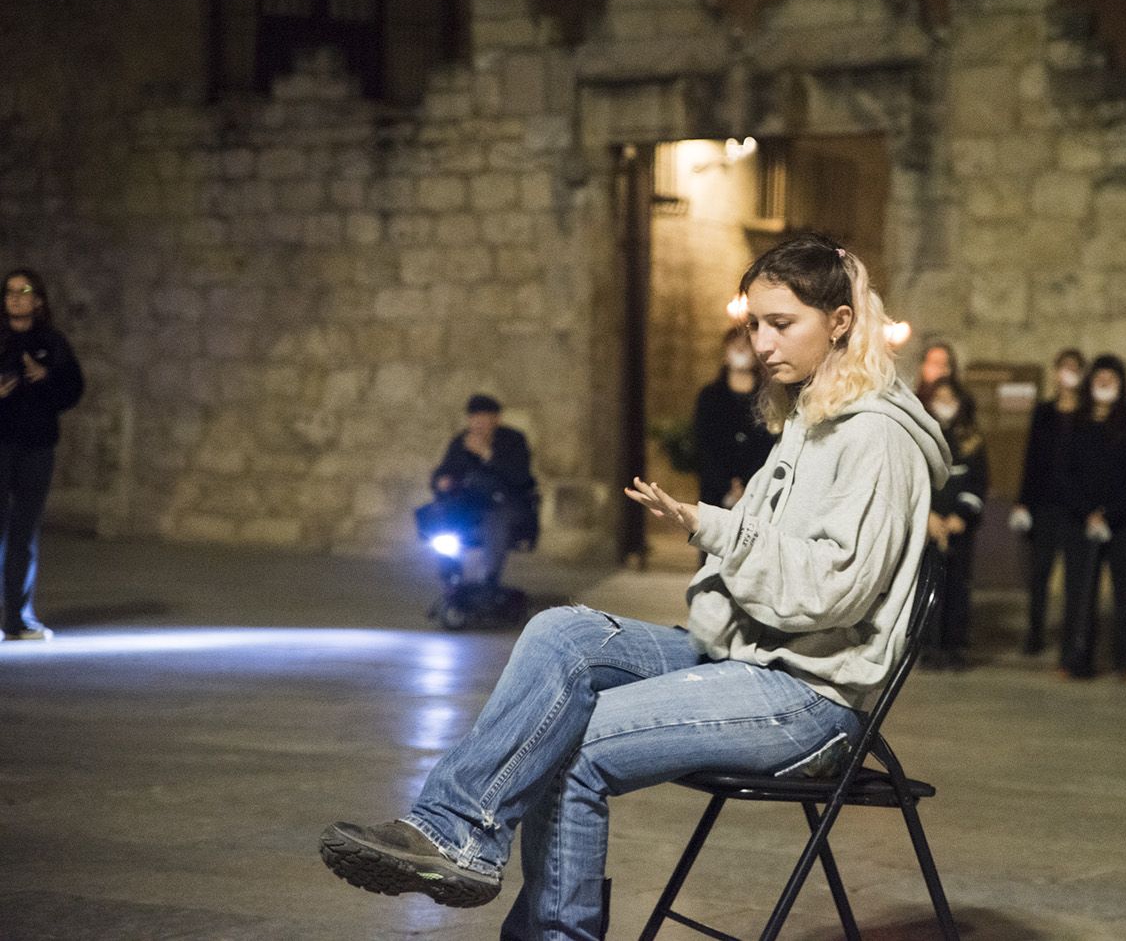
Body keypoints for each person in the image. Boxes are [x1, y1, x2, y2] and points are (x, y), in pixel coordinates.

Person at [320, 234, 950, 939]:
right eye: (754, 324)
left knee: (573, 746)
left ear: (838, 321)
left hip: (809, 698)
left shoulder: (877, 441)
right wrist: (720, 536)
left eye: (782, 324)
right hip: (743, 657)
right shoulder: (809, 418)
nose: (762, 343)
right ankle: (452, 832)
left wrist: (719, 530)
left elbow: (833, 591)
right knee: (562, 632)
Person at [1060, 354, 1126, 682]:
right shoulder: (1075, 423)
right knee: (1079, 592)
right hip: (1082, 520)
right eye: (1099, 380)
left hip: (1125, 521)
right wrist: (1087, 512)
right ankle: (1076, 658)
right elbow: (1066, 474)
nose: (1104, 386)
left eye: (1110, 381)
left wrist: (1111, 514)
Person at [0, 268, 84, 642]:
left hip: (36, 447)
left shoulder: (52, 342)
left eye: (24, 291)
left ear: (38, 301)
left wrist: (44, 376)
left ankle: (17, 619)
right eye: (10, 292)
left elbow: (72, 389)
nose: (16, 298)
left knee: (24, 532)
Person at [1013, 348, 1084, 655]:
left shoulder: (1086, 414)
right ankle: (1035, 634)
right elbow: (1033, 459)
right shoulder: (1044, 412)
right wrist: (1023, 501)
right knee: (1040, 573)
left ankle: (1072, 635)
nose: (1067, 374)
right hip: (1045, 505)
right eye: (1063, 367)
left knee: (1074, 577)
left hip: (1075, 507)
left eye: (1073, 368)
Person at [429, 394, 539, 588]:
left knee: (495, 520)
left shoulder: (513, 440)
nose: (478, 424)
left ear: (495, 419)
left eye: (484, 418)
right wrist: (441, 482)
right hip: (469, 504)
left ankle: (489, 579)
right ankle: (451, 573)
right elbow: (444, 471)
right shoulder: (461, 443)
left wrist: (487, 455)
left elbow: (520, 478)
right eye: (474, 419)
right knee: (439, 516)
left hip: (505, 503)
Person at [924, 376, 988, 670]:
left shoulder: (972, 441)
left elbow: (977, 484)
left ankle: (954, 646)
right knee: (927, 586)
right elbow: (916, 480)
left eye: (951, 399)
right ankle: (927, 646)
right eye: (940, 398)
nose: (945, 405)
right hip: (927, 527)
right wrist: (927, 515)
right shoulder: (923, 437)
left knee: (957, 588)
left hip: (959, 529)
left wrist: (960, 516)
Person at [692, 327, 775, 510]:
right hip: (716, 494)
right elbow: (704, 445)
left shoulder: (769, 397)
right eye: (734, 346)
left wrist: (748, 484)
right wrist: (726, 486)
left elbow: (769, 443)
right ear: (725, 353)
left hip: (758, 494)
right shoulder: (710, 396)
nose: (740, 350)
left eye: (745, 346)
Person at [915, 340, 957, 407]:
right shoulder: (914, 403)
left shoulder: (965, 403)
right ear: (923, 367)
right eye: (935, 363)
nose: (941, 369)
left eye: (945, 364)